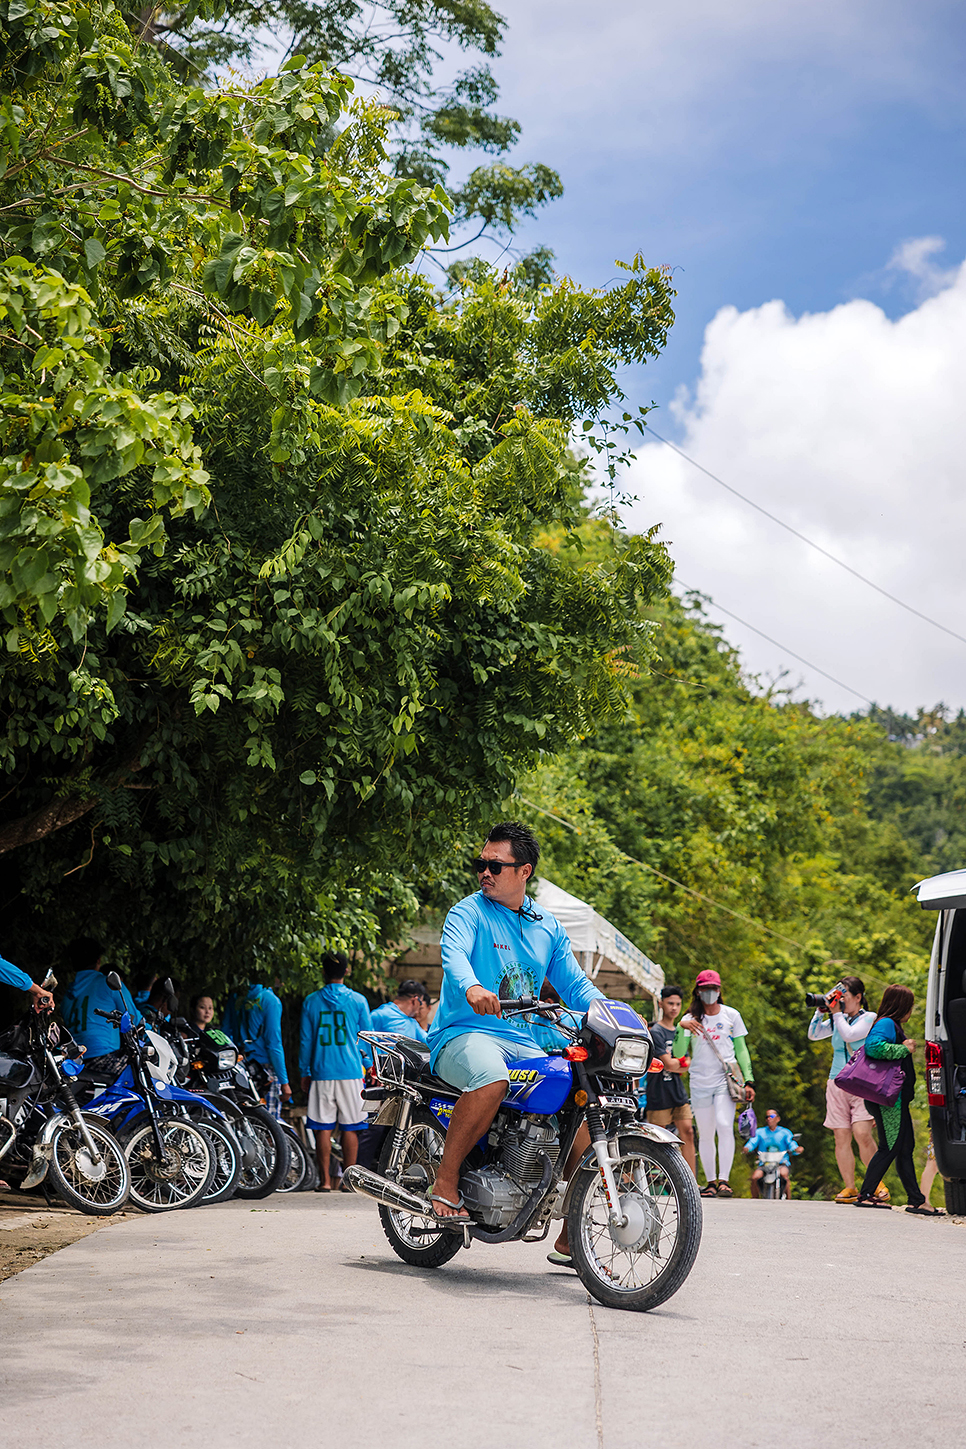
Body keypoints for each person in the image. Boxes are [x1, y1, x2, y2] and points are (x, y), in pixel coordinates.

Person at [426, 821, 604, 1272]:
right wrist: (470, 987)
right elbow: (455, 956)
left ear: (523, 872)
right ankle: (445, 1183)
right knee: (492, 1080)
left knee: (578, 1095)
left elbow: (576, 984)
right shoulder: (467, 912)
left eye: (495, 866)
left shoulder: (547, 925)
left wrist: (610, 1013)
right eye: (481, 864)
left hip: (521, 1039)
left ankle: (572, 1232)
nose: (484, 872)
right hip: (464, 1033)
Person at [856, 984, 943, 1215]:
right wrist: (903, 1049)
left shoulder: (890, 1025)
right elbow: (873, 1047)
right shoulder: (886, 1023)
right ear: (901, 1005)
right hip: (889, 1101)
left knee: (904, 1148)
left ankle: (917, 1200)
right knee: (890, 1147)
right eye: (910, 1006)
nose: (911, 1011)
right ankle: (866, 1194)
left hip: (895, 1100)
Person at [674, 969, 754, 1198]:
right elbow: (679, 1052)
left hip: (725, 1080)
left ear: (719, 991)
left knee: (724, 1124)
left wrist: (749, 1081)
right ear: (698, 992)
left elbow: (741, 1049)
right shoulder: (690, 1019)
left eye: (714, 989)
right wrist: (682, 1027)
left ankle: (724, 1181)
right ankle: (710, 1182)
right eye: (705, 989)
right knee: (706, 1133)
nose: (710, 993)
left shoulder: (731, 1015)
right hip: (700, 1081)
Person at [807, 976, 885, 1204]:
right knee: (841, 1136)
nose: (840, 1001)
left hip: (861, 1083)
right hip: (836, 1082)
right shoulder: (836, 1019)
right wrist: (820, 1011)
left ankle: (876, 1182)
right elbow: (813, 1035)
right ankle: (850, 1187)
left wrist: (836, 1013)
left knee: (862, 1133)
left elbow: (851, 1035)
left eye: (845, 997)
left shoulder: (868, 1018)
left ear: (858, 997)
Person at [299, 952, 373, 1192]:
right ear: (347, 971)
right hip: (351, 1072)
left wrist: (305, 1070)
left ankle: (325, 1182)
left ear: (323, 971)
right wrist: (369, 1063)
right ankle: (350, 1184)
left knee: (323, 1126)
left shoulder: (311, 1001)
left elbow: (305, 1041)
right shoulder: (359, 1001)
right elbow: (367, 1038)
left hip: (321, 1072)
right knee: (351, 1126)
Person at [59, 937, 142, 1062]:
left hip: (75, 1062)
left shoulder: (67, 996)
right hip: (105, 1056)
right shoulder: (109, 984)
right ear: (99, 961)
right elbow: (134, 1019)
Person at [644, 984, 696, 1176]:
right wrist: (677, 1062)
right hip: (658, 1091)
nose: (674, 1008)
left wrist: (678, 1062)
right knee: (656, 1139)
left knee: (688, 1133)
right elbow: (669, 1064)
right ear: (661, 1004)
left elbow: (687, 1062)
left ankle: (691, 1179)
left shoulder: (680, 1030)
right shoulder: (655, 1031)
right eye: (670, 1003)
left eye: (678, 1004)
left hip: (677, 1091)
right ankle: (646, 1178)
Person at [223, 980, 291, 1118]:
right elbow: (274, 1044)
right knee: (270, 1124)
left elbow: (226, 1031)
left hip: (239, 1066)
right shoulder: (270, 1000)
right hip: (265, 1070)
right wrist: (284, 1082)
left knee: (244, 1117)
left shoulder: (237, 996)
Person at [744, 1109, 803, 1198]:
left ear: (778, 1119)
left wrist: (796, 1149)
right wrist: (747, 1148)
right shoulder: (760, 1132)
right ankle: (755, 1198)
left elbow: (791, 1143)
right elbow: (752, 1142)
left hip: (781, 1163)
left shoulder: (785, 1132)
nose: (769, 1119)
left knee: (784, 1175)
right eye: (767, 1117)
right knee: (755, 1177)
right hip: (764, 1163)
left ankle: (789, 1199)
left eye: (771, 1116)